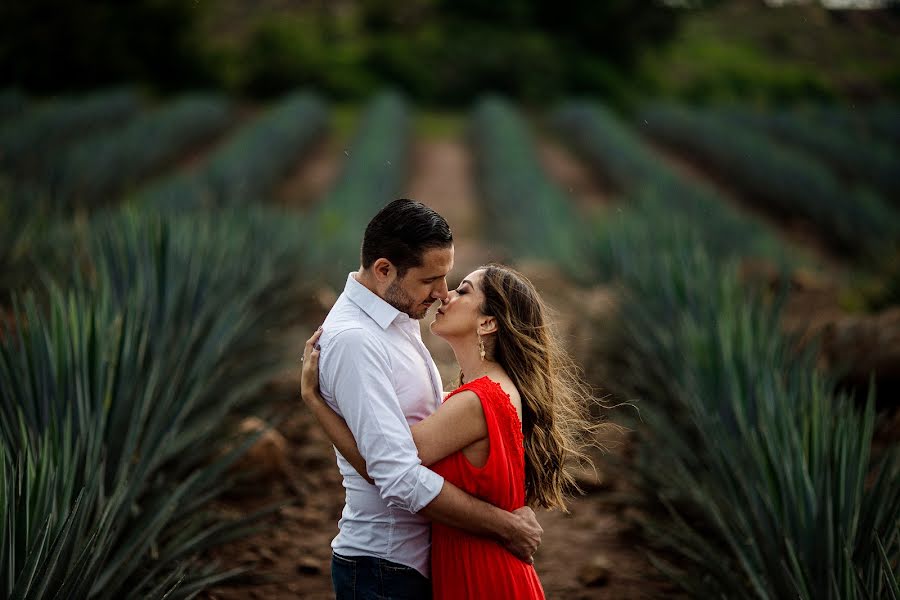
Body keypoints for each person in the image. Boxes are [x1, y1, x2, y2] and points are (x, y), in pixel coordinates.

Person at [302, 258, 598, 598]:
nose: (446, 295)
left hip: (482, 576)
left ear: (487, 322)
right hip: (477, 567)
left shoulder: (477, 401)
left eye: (463, 291)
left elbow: (383, 464)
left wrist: (315, 402)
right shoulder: (485, 393)